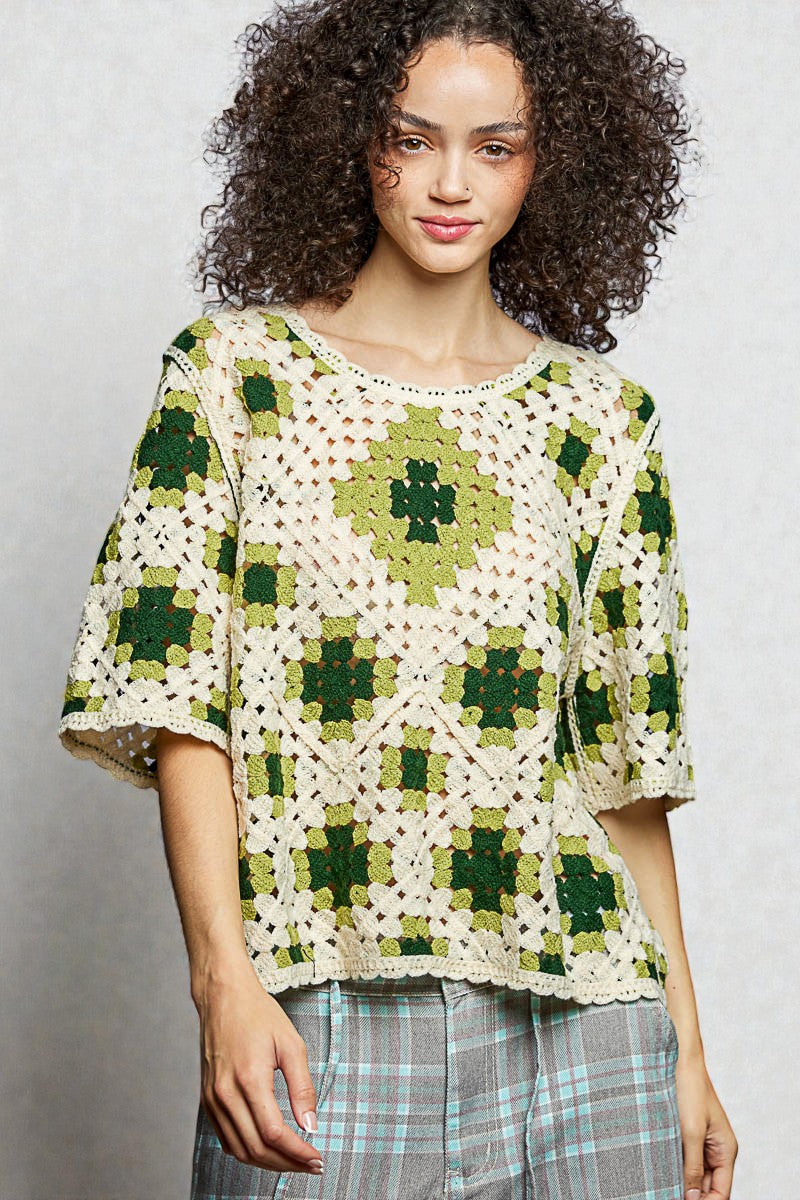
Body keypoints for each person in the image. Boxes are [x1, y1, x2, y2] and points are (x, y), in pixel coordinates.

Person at [58, 2, 738, 1197]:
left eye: (494, 148)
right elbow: (178, 707)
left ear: (554, 159)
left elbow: (622, 775)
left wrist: (686, 1052)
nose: (447, 183)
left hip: (583, 1023)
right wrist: (224, 982)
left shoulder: (599, 426)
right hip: (317, 1008)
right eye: (408, 137)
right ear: (344, 137)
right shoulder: (232, 382)